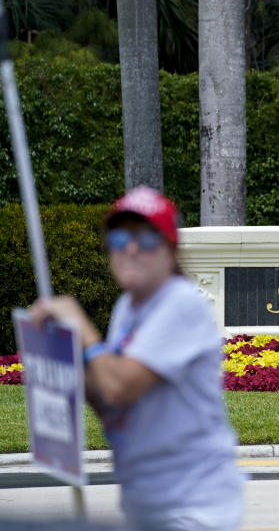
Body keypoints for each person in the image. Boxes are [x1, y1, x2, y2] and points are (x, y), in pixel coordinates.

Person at [30, 186, 244, 531]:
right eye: (119, 238)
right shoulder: (127, 308)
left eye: (146, 238)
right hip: (147, 508)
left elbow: (119, 388)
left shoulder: (181, 303)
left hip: (193, 511)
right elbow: (111, 406)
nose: (130, 248)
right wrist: (60, 356)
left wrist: (81, 327)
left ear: (170, 252)